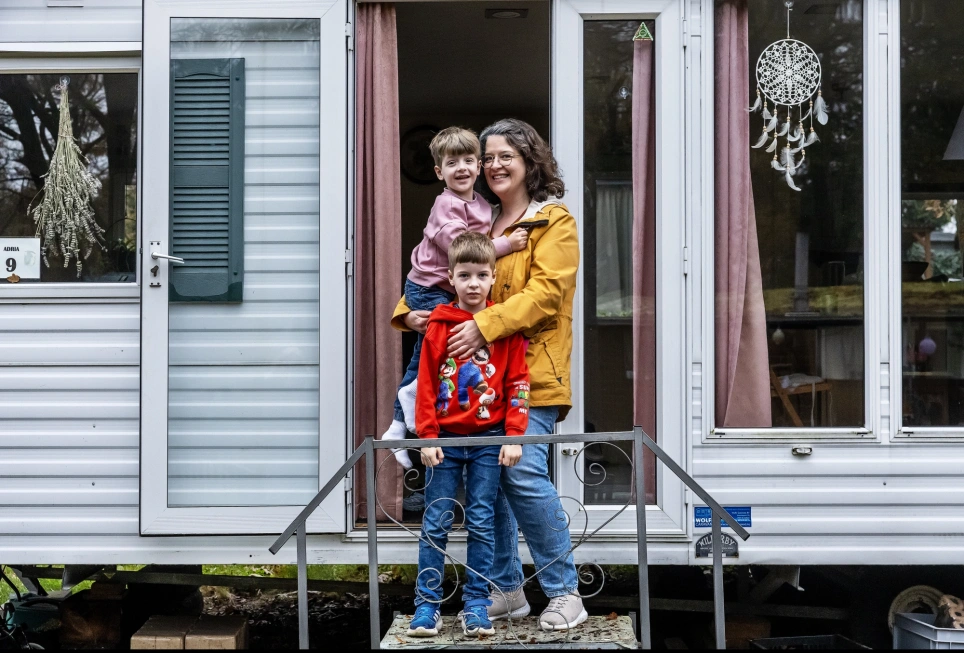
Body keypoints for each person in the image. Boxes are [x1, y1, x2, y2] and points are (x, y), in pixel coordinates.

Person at [394, 118, 586, 630]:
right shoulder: (477, 220)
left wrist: (483, 325)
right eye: (490, 156)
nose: (496, 164)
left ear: (530, 163)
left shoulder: (552, 223)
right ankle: (506, 589)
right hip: (471, 386)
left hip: (531, 376)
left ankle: (565, 590)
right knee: (490, 481)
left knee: (521, 472)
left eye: (507, 155)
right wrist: (407, 313)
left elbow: (547, 295)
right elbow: (441, 269)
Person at [381, 126, 529, 469]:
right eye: (452, 163)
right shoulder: (445, 206)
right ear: (439, 172)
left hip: (444, 289)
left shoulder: (480, 204)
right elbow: (461, 254)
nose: (461, 168)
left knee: (429, 355)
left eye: (468, 161)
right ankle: (400, 421)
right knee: (428, 356)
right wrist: (508, 243)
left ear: (479, 167)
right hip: (427, 287)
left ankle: (404, 421)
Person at [407, 232, 529, 638]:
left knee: (481, 521)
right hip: (443, 441)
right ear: (450, 278)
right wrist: (426, 435)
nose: (473, 283)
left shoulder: (504, 328)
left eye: (481, 275)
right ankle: (427, 606)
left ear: (493, 278)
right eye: (464, 275)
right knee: (435, 521)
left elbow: (517, 384)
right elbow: (425, 384)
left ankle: (476, 604)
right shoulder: (439, 326)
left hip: (488, 441)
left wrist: (514, 435)